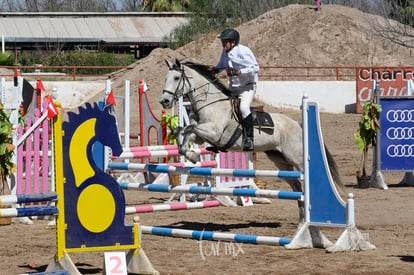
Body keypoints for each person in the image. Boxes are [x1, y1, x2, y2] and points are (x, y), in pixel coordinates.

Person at [211, 28, 259, 151]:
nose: (222, 44)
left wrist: (239, 71)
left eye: (224, 42)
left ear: (233, 42)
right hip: (233, 88)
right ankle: (218, 140)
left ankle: (249, 139)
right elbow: (222, 65)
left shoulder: (244, 51)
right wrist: (215, 69)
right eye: (222, 42)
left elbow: (255, 68)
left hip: (247, 87)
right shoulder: (225, 52)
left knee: (243, 108)